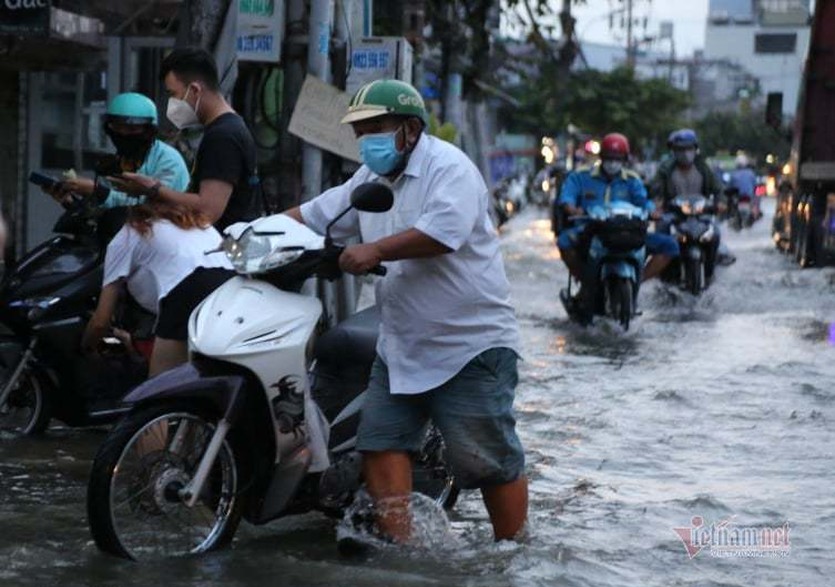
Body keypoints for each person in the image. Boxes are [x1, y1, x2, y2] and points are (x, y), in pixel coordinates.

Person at [284, 79, 527, 544]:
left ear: (410, 129)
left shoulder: (450, 169)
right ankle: (403, 550)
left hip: (468, 344)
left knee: (489, 462)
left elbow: (440, 234)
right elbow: (318, 213)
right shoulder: (370, 178)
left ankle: (511, 554)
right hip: (400, 344)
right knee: (380, 443)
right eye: (361, 130)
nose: (366, 139)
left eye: (376, 127)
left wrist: (375, 249)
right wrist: (246, 234)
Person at [82, 198, 234, 376]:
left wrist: (85, 348)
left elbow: (101, 322)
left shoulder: (128, 235)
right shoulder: (199, 223)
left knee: (160, 390)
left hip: (187, 295)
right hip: (230, 290)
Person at [114, 47, 260, 231]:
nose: (171, 104)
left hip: (221, 253)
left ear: (195, 90)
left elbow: (208, 209)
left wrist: (154, 189)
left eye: (173, 94)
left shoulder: (223, 137)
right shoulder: (230, 127)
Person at [555, 132, 679, 296]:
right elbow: (567, 199)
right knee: (564, 242)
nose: (613, 163)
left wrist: (652, 211)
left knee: (670, 246)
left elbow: (643, 202)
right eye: (609, 157)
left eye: (617, 158)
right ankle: (585, 281)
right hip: (591, 232)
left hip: (626, 232)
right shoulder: (581, 176)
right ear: (601, 157)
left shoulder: (632, 180)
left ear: (625, 159)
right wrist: (573, 209)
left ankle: (638, 279)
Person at [46, 92, 189, 207]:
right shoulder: (118, 162)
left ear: (148, 130)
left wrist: (99, 192)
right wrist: (69, 201)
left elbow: (150, 207)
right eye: (118, 128)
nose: (123, 134)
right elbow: (103, 216)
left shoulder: (167, 160)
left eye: (132, 129)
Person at [652, 129, 730, 280]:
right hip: (674, 214)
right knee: (662, 231)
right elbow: (656, 190)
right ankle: (663, 273)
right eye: (681, 149)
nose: (686, 153)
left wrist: (721, 202)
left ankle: (710, 272)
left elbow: (719, 188)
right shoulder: (665, 170)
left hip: (701, 213)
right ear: (674, 151)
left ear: (695, 149)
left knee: (715, 234)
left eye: (689, 149)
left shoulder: (703, 168)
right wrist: (658, 205)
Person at [729, 154, 761, 220]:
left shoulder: (733, 174)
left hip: (739, 200)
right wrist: (757, 204)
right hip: (748, 200)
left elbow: (729, 188)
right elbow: (757, 189)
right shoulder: (751, 173)